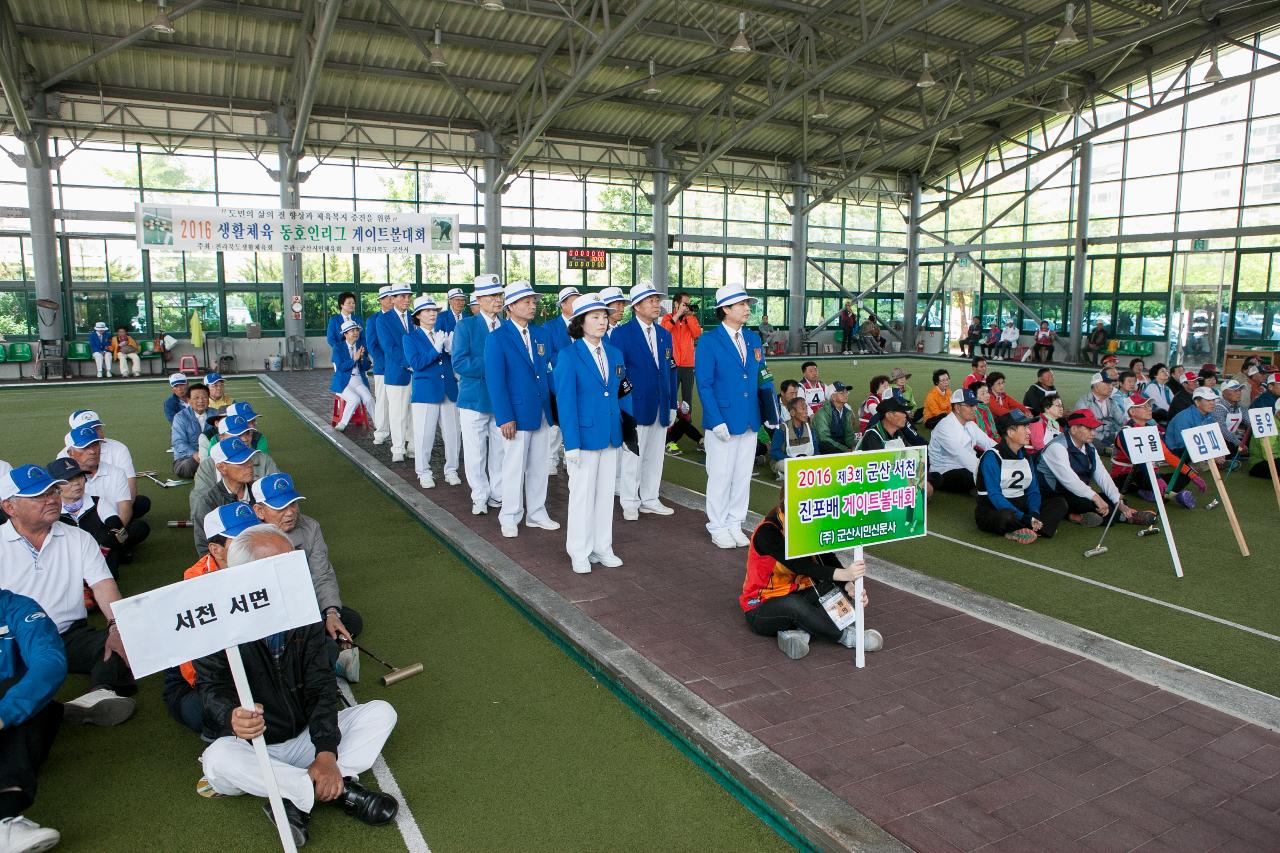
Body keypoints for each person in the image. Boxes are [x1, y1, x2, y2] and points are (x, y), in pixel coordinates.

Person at [194, 525, 398, 846]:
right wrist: (231, 716)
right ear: (246, 574)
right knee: (218, 759)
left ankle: (293, 795)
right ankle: (336, 789)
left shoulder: (301, 610)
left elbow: (320, 686)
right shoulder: (215, 621)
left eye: (293, 560)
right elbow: (210, 689)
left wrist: (327, 753)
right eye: (282, 564)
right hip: (251, 748)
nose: (294, 571)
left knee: (381, 713)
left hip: (304, 737)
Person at [0, 464, 136, 726]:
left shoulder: (78, 538)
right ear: (9, 507)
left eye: (52, 491)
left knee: (126, 641)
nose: (51, 499)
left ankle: (98, 694)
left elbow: (103, 585)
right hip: (14, 639)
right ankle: (55, 711)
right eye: (38, 495)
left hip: (68, 634)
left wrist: (116, 627)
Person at [741, 487, 879, 659]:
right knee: (794, 606)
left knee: (834, 590)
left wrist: (849, 585)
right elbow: (801, 565)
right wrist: (845, 574)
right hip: (761, 606)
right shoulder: (767, 531)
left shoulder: (807, 522)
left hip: (799, 593)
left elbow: (826, 557)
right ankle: (848, 637)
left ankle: (800, 633)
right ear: (785, 504)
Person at [163, 502, 262, 734]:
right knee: (205, 714)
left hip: (252, 657)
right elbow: (197, 670)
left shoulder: (265, 562)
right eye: (242, 540)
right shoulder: (194, 585)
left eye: (255, 535)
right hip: (203, 673)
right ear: (216, 550)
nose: (254, 545)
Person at [694, 284, 775, 550]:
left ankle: (735, 522)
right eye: (741, 304)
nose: (747, 308)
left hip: (750, 418)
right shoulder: (709, 340)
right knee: (720, 475)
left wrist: (771, 411)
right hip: (722, 421)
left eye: (747, 304)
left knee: (742, 475)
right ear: (725, 309)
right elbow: (704, 384)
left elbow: (762, 375)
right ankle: (717, 525)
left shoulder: (752, 338)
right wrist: (715, 419)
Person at [553, 294, 625, 574]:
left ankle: (602, 547)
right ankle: (579, 551)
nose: (602, 321)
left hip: (610, 435)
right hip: (582, 439)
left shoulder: (614, 353)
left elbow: (617, 393)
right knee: (582, 495)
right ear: (580, 322)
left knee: (606, 495)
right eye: (594, 317)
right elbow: (565, 403)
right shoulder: (569, 356)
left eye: (604, 316)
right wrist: (570, 444)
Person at [250, 474, 362, 651]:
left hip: (304, 604)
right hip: (268, 612)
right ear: (259, 511)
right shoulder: (247, 538)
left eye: (293, 503)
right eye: (281, 507)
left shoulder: (310, 527)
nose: (290, 512)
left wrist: (331, 612)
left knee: (350, 620)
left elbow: (322, 574)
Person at [486, 281, 560, 539]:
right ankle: (509, 515)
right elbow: (496, 381)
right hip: (515, 415)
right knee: (513, 467)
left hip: (540, 411)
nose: (533, 305)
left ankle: (536, 513)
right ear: (511, 306)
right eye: (527, 301)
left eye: (533, 301)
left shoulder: (541, 334)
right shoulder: (498, 338)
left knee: (539, 465)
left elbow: (547, 373)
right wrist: (505, 417)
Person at [0, 585, 67, 853]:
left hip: (13, 717)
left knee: (32, 700)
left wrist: (4, 714)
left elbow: (49, 662)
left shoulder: (18, 607)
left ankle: (4, 819)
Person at [612, 283, 677, 521]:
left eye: (657, 300)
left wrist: (672, 404)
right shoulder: (621, 334)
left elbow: (671, 370)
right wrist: (623, 406)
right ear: (636, 306)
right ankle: (630, 500)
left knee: (655, 455)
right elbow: (618, 373)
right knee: (633, 456)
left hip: (660, 405)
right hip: (634, 406)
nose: (656, 304)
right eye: (650, 300)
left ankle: (650, 498)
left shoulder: (664, 334)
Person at [1037, 410, 1156, 527]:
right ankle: (1126, 517)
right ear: (1074, 429)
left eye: (1094, 429)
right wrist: (1095, 498)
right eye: (1089, 428)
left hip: (1074, 491)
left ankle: (1079, 515)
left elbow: (1102, 475)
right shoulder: (1057, 447)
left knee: (1112, 499)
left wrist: (1118, 502)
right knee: (1091, 503)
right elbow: (1070, 480)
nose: (1093, 433)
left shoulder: (1089, 446)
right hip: (1053, 494)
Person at [453, 275, 506, 516]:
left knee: (500, 450)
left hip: (500, 400)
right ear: (480, 299)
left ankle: (498, 493)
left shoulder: (506, 326)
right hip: (474, 398)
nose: (498, 300)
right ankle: (479, 495)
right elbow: (460, 362)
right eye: (493, 296)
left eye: (500, 295)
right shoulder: (466, 326)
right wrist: (493, 364)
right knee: (475, 451)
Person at [975, 410, 1067, 544]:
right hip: (994, 508)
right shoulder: (992, 456)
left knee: (1059, 503)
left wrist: (1034, 513)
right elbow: (995, 496)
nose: (1029, 432)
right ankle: (1034, 528)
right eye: (1024, 427)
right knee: (1004, 517)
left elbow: (1033, 490)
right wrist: (1024, 517)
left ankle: (1028, 527)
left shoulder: (1025, 456)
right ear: (1011, 433)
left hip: (1020, 506)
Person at [404, 295, 460, 490]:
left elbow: (452, 363)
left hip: (448, 390)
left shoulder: (442, 334)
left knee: (453, 434)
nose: (432, 314)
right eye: (427, 311)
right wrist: (436, 349)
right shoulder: (410, 338)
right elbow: (416, 364)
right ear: (418, 315)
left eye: (434, 310)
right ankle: (424, 472)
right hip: (426, 392)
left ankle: (451, 470)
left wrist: (452, 351)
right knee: (424, 436)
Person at [62, 424, 148, 551]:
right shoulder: (61, 477)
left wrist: (113, 535)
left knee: (139, 528)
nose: (92, 451)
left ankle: (112, 548)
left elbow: (125, 507)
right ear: (70, 453)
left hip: (109, 527)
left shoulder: (117, 472)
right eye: (85, 447)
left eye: (96, 445)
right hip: (76, 532)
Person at [1110, 395, 1203, 509]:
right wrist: (1157, 479)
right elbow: (1140, 461)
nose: (1149, 408)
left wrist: (1191, 473)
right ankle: (1170, 495)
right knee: (1143, 477)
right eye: (1144, 406)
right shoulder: (1125, 432)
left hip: (1148, 472)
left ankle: (1154, 493)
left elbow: (1167, 454)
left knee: (1184, 476)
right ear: (1132, 411)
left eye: (1149, 405)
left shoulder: (1149, 428)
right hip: (1126, 476)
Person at [47, 457, 128, 577]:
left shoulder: (98, 502)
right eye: (68, 479)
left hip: (99, 562)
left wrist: (108, 543)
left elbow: (123, 533)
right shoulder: (50, 512)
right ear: (54, 487)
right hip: (66, 566)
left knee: (111, 535)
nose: (76, 483)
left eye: (79, 476)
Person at [191, 436, 261, 557]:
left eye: (249, 459)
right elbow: (204, 549)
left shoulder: (259, 491)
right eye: (240, 462)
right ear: (221, 468)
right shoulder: (208, 502)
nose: (249, 465)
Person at [190, 414, 278, 508]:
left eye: (248, 433)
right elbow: (200, 502)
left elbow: (278, 493)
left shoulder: (264, 459)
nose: (245, 439)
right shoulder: (208, 465)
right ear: (221, 438)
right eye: (238, 435)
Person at [540, 286, 580, 474]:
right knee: (555, 423)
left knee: (574, 419)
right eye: (573, 300)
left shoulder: (583, 325)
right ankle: (551, 459)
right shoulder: (550, 327)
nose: (576, 303)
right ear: (563, 304)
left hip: (580, 382)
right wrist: (567, 363)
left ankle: (570, 455)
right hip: (557, 380)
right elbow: (547, 355)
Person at [926, 388, 997, 493]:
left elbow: (989, 443)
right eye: (970, 406)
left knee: (989, 464)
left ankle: (978, 486)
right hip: (945, 470)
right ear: (957, 408)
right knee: (973, 476)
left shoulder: (970, 424)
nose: (975, 409)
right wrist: (987, 471)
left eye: (975, 405)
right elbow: (960, 454)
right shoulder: (945, 426)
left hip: (966, 465)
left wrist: (1005, 458)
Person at [374, 284, 415, 463]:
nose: (406, 300)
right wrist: (409, 363)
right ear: (393, 298)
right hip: (397, 372)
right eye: (402, 296)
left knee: (415, 413)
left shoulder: (415, 317)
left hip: (418, 373)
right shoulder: (383, 320)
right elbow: (388, 346)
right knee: (397, 413)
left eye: (408, 296)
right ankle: (398, 448)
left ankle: (413, 446)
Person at [68, 409, 139, 501]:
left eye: (98, 428)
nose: (95, 433)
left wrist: (125, 507)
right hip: (82, 504)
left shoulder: (119, 448)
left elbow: (130, 483)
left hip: (115, 499)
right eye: (89, 430)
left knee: (141, 503)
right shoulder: (65, 454)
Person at [660, 290, 702, 427]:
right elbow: (664, 332)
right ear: (676, 304)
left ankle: (686, 424)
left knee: (687, 398)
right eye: (684, 304)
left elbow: (696, 334)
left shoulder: (691, 319)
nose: (687, 307)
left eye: (688, 304)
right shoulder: (667, 317)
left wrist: (689, 317)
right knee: (670, 395)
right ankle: (669, 425)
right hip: (671, 364)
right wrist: (677, 315)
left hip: (688, 364)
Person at [330, 318, 375, 432]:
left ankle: (378, 424)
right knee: (354, 399)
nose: (356, 333)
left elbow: (366, 367)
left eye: (357, 330)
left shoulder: (360, 346)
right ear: (345, 334)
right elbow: (340, 368)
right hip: (342, 381)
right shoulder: (338, 348)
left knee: (369, 399)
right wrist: (354, 359)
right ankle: (342, 424)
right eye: (352, 331)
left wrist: (361, 359)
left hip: (358, 380)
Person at [365, 285, 395, 447]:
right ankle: (381, 432)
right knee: (382, 400)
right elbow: (372, 345)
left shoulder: (402, 317)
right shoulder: (373, 319)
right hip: (383, 367)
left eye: (393, 297)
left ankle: (402, 433)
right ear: (381, 301)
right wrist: (383, 362)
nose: (392, 301)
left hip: (401, 368)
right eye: (389, 298)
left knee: (402, 402)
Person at [1073, 372, 1124, 455]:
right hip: (1092, 436)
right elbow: (1084, 427)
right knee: (1090, 441)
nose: (1111, 387)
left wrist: (1130, 426)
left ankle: (1112, 448)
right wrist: (1102, 438)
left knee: (1124, 435)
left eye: (1111, 384)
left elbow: (1121, 420)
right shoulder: (1083, 402)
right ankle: (1111, 449)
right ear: (1096, 386)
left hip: (1108, 435)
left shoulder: (1111, 402)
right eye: (1107, 384)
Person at [856, 397, 926, 454]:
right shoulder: (872, 437)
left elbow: (907, 453)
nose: (905, 415)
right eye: (902, 412)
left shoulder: (897, 432)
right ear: (889, 415)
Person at [171, 382, 212, 478]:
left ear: (209, 399)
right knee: (188, 466)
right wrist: (195, 454)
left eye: (204, 397)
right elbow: (178, 443)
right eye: (196, 398)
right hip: (188, 458)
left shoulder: (215, 414)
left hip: (211, 455)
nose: (201, 400)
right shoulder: (180, 417)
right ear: (188, 400)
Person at [1166, 387, 1219, 459]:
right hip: (1178, 449)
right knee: (1188, 451)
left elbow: (1212, 437)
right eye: (1208, 400)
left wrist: (1218, 452)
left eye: (1213, 400)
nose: (1212, 403)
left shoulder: (1210, 414)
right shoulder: (1184, 417)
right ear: (1197, 402)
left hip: (1199, 446)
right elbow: (1182, 443)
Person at [769, 397, 816, 478]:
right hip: (787, 462)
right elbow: (774, 451)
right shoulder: (782, 429)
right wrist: (791, 460)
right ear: (792, 412)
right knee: (784, 465)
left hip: (806, 462)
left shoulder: (810, 428)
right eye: (803, 409)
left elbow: (815, 449)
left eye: (806, 409)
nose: (806, 412)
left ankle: (795, 473)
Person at [1248, 372, 1280, 480]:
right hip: (1262, 460)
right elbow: (1268, 449)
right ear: (1270, 386)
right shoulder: (1263, 403)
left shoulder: (1274, 399)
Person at [812, 382, 856, 454]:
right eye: (842, 393)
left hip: (840, 445)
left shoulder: (847, 412)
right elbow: (824, 438)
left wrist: (853, 447)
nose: (846, 395)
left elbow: (849, 434)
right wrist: (845, 449)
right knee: (825, 445)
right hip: (826, 446)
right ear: (833, 397)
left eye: (846, 392)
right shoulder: (822, 413)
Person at [1213, 379, 1248, 460]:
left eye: (1239, 390)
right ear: (1223, 392)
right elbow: (1222, 430)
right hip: (1220, 440)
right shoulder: (1219, 407)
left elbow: (1250, 422)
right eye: (1235, 390)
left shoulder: (1240, 406)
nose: (1239, 393)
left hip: (1232, 438)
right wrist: (1239, 443)